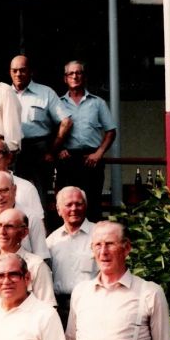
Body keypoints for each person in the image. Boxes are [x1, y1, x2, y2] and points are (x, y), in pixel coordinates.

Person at [57, 61, 116, 222]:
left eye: (78, 73)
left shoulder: (97, 103)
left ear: (84, 77)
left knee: (92, 205)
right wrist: (58, 149)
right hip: (67, 159)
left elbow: (111, 131)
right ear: (65, 78)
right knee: (68, 204)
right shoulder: (58, 103)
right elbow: (50, 130)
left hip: (92, 160)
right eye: (71, 73)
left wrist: (99, 153)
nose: (75, 76)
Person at [10, 55, 72, 204]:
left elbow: (66, 121)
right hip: (12, 150)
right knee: (13, 193)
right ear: (10, 72)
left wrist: (53, 149)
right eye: (15, 70)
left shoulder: (45, 92)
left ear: (31, 72)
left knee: (39, 196)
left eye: (23, 70)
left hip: (38, 150)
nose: (18, 74)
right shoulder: (4, 93)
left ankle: (41, 226)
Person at [0, 207, 56, 307]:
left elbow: (47, 307)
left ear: (24, 232)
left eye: (9, 226)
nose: (2, 232)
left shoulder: (36, 266)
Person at [45, 186, 97, 327]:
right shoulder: (51, 242)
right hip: (61, 309)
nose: (74, 208)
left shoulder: (99, 234)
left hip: (93, 305)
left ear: (85, 206)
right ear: (59, 210)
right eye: (68, 204)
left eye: (78, 203)